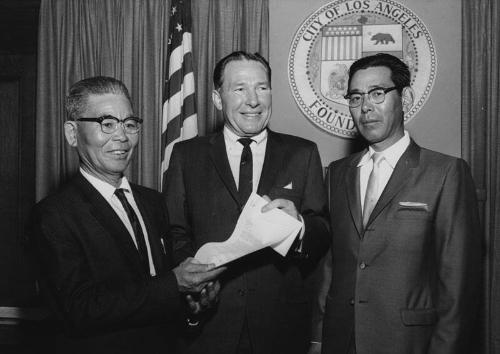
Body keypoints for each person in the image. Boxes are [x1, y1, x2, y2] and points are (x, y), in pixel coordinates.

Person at [30, 76, 224, 354]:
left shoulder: (153, 202)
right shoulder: (52, 216)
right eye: (106, 124)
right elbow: (77, 310)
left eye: (130, 124)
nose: (121, 136)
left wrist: (194, 309)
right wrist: (174, 284)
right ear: (72, 134)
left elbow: (163, 303)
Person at [310, 53, 481, 354]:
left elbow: (458, 289)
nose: (366, 107)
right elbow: (330, 267)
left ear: (406, 98)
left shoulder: (445, 173)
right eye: (355, 97)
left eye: (378, 93)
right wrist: (318, 340)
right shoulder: (337, 173)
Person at [164, 51, 330, 354]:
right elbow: (175, 231)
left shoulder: (303, 153)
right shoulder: (187, 156)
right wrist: (197, 284)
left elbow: (323, 232)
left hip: (281, 328)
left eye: (262, 87)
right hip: (208, 327)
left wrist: (301, 227)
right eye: (239, 88)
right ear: (218, 98)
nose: (253, 100)